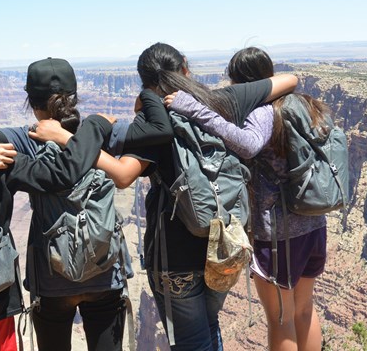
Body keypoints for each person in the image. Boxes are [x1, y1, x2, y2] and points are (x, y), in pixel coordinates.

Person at [30, 43, 298, 350]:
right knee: (210, 329)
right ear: (185, 66)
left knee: (191, 342)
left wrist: (68, 139)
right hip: (225, 240)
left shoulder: (152, 123)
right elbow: (290, 80)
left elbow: (122, 175)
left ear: (143, 82)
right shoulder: (225, 100)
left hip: (174, 254)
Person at [0, 58, 135, 351]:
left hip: (51, 277)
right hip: (105, 274)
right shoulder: (107, 131)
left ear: (30, 101)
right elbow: (156, 132)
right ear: (74, 96)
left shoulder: (25, 138)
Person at [165, 47, 326, 351]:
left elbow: (249, 145)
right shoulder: (304, 105)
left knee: (281, 316)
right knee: (305, 310)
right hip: (313, 223)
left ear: (243, 83)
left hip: (279, 234)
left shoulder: (264, 111)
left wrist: (194, 109)